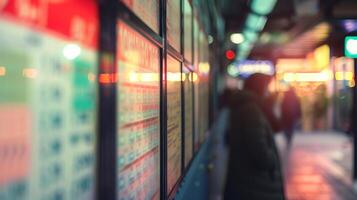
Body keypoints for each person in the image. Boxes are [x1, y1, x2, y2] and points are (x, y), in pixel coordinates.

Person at [224, 73, 285, 200]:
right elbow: (260, 151)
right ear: (259, 88)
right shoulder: (251, 111)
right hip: (256, 186)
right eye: (266, 87)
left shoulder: (245, 107)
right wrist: (272, 159)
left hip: (246, 182)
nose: (268, 92)